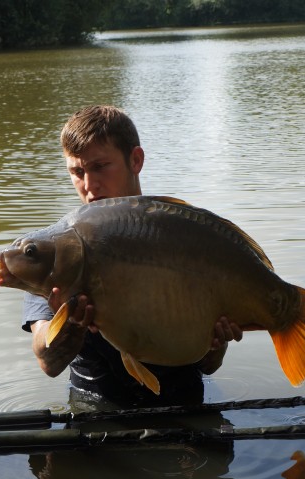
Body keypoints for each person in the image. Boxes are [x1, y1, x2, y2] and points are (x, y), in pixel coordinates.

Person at [22, 105, 242, 406]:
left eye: (100, 166)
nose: (89, 186)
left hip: (183, 401)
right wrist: (70, 327)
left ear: (135, 160)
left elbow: (209, 366)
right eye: (77, 172)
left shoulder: (179, 234)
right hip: (94, 405)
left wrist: (217, 344)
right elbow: (48, 362)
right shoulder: (58, 250)